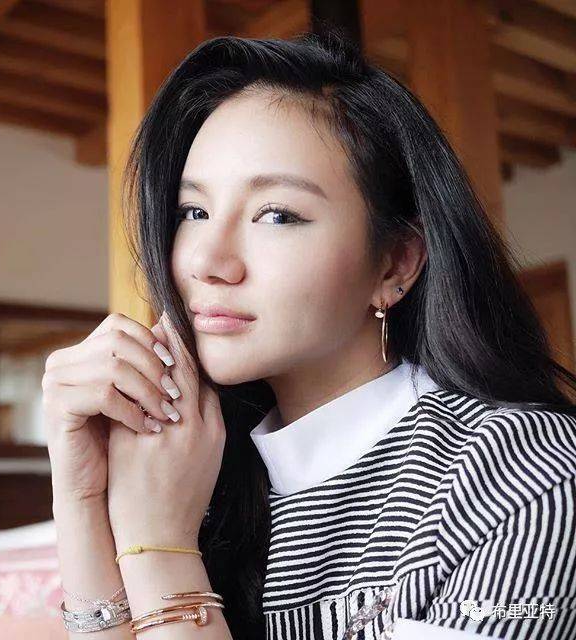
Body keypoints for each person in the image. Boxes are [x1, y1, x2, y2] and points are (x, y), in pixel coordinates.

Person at [42, 28, 576, 640]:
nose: (207, 261)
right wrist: (81, 500)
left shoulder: (522, 474)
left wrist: (161, 544)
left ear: (395, 264)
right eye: (194, 211)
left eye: (276, 215)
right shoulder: (193, 461)